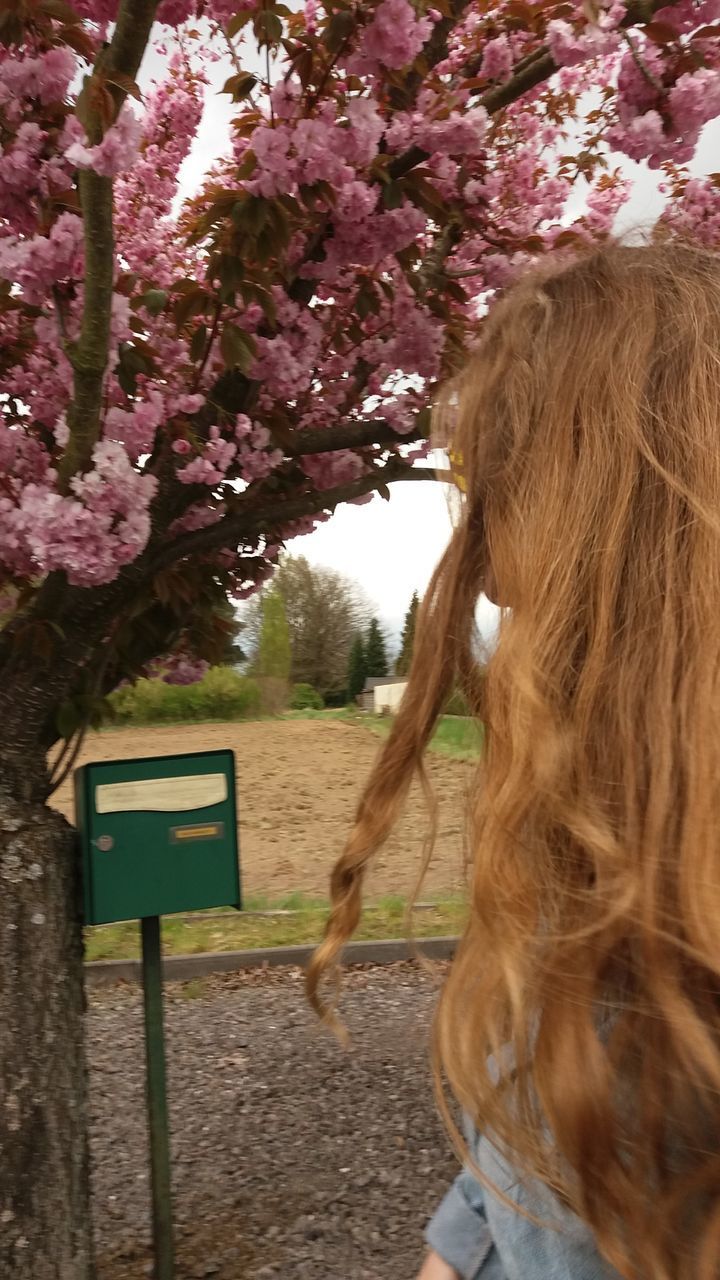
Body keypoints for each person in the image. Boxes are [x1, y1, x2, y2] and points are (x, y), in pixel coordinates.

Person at [307, 242, 720, 1280]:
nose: (485, 576)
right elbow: (529, 1130)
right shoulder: (595, 824)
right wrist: (454, 1249)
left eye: (518, 489)